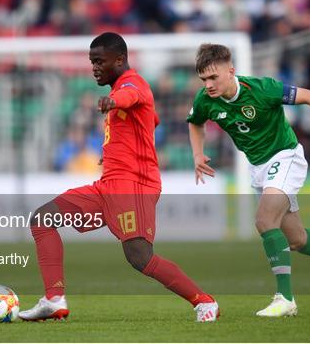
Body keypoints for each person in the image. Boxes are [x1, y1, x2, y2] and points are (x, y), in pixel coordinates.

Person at [19, 32, 219, 323]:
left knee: (140, 257)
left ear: (120, 59)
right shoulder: (121, 89)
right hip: (108, 183)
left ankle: (204, 301)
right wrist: (115, 149)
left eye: (99, 61)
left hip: (133, 185)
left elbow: (131, 97)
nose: (94, 68)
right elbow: (151, 118)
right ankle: (54, 298)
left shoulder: (131, 84)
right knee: (42, 219)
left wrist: (113, 103)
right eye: (91, 62)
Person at [186, 44, 310, 317]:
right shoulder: (205, 100)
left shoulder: (262, 88)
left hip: (285, 156)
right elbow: (195, 122)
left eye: (214, 78)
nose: (208, 85)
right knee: (297, 239)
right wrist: (198, 154)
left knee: (264, 221)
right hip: (259, 167)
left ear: (231, 71)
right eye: (204, 80)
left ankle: (286, 299)